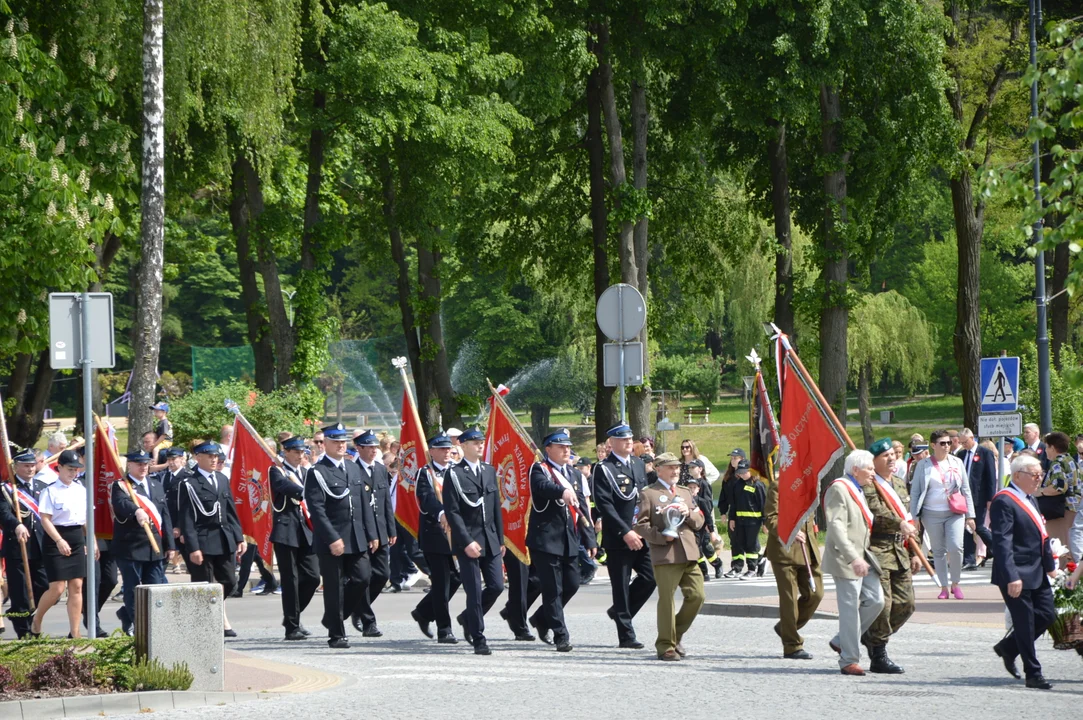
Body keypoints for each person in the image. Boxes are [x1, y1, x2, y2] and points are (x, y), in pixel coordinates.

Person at [305, 423, 378, 649]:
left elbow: (364, 504)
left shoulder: (353, 467)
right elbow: (317, 509)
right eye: (335, 442)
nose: (340, 445)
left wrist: (371, 532)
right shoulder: (317, 472)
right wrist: (332, 538)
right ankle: (336, 634)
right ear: (325, 443)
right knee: (335, 588)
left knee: (363, 578)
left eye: (343, 442)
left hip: (356, 537)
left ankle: (332, 618)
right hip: (333, 540)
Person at [990, 454, 1057, 690]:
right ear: (1017, 476)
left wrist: (1050, 566)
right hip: (1016, 571)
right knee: (1025, 622)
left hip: (1036, 570)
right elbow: (1002, 543)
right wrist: (1012, 576)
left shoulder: (1029, 498)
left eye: (1041, 474)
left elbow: (1041, 534)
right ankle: (1033, 673)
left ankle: (1008, 648)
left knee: (1048, 615)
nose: (1039, 479)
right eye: (1035, 474)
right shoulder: (1004, 501)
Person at [526, 429, 596, 652]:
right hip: (546, 539)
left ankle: (540, 618)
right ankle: (560, 635)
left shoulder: (575, 474)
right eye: (560, 446)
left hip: (569, 539)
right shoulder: (540, 469)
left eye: (568, 446)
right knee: (552, 589)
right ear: (548, 449)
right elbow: (542, 488)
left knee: (572, 584)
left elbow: (582, 509)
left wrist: (591, 540)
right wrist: (561, 492)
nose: (566, 450)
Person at [635, 452, 706, 661]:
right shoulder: (649, 493)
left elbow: (699, 521)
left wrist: (689, 512)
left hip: (689, 552)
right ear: (658, 469)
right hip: (666, 554)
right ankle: (665, 646)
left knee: (697, 596)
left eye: (677, 467)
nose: (675, 471)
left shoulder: (684, 492)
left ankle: (674, 635)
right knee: (667, 601)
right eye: (670, 467)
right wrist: (660, 537)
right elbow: (640, 525)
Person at [591, 422, 655, 649]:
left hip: (641, 533)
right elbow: (605, 505)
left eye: (630, 439)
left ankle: (619, 613)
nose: (629, 442)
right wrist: (625, 531)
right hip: (619, 537)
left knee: (650, 578)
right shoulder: (603, 468)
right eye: (623, 439)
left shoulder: (638, 464)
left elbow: (644, 499)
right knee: (620, 585)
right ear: (612, 443)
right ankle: (626, 634)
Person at [823, 450, 885, 676]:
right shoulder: (840, 488)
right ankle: (849, 659)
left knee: (876, 601)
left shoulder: (857, 488)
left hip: (862, 555)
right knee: (849, 610)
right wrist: (853, 557)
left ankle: (842, 639)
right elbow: (836, 526)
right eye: (869, 468)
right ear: (855, 470)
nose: (873, 472)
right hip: (845, 558)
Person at [444, 428, 504, 655]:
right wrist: (466, 541)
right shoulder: (455, 474)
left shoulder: (488, 471)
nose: (480, 445)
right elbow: (452, 511)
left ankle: (467, 618)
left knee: (497, 586)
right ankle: (479, 637)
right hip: (467, 540)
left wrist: (500, 538)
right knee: (474, 590)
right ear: (463, 445)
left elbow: (495, 507)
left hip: (489, 538)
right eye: (475, 442)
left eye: (481, 442)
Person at [177, 441, 246, 637]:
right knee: (203, 584)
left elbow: (230, 510)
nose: (214, 459)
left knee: (230, 581)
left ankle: (213, 613)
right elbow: (187, 518)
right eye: (209, 456)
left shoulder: (222, 479)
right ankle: (205, 627)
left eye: (216, 456)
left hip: (224, 538)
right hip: (203, 540)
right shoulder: (189, 484)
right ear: (198, 458)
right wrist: (193, 548)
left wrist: (239, 537)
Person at [863, 439, 919, 674]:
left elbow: (908, 516)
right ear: (874, 461)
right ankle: (878, 653)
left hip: (901, 550)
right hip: (878, 550)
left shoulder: (898, 483)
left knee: (906, 604)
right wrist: (900, 524)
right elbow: (877, 512)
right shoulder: (869, 484)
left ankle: (871, 636)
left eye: (892, 455)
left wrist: (915, 551)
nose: (891, 458)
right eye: (885, 456)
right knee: (883, 606)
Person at [111, 449, 174, 637]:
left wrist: (170, 544)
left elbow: (165, 516)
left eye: (146, 463)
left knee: (155, 587)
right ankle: (141, 627)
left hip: (154, 546)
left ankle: (139, 619)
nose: (143, 467)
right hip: (130, 546)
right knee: (133, 588)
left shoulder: (156, 485)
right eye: (139, 464)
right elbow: (121, 504)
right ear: (129, 465)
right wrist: (135, 510)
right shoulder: (121, 486)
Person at [29, 450, 90, 638]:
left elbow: (86, 518)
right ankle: (37, 618)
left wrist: (92, 540)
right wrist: (59, 540)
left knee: (77, 586)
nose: (73, 473)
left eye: (76, 470)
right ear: (60, 468)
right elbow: (45, 519)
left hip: (76, 536)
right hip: (55, 537)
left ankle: (75, 631)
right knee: (57, 588)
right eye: (70, 469)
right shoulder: (50, 491)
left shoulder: (81, 490)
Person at [909, 429, 976, 598]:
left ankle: (956, 583)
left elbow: (966, 489)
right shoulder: (923, 465)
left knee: (956, 547)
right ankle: (944, 588)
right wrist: (915, 517)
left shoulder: (956, 462)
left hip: (955, 512)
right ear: (933, 446)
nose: (947, 446)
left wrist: (970, 516)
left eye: (948, 443)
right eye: (942, 443)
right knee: (938, 551)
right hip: (931, 513)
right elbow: (916, 492)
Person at [764, 474, 823, 660]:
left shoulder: (809, 485)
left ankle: (785, 628)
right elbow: (770, 517)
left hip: (808, 548)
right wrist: (789, 531)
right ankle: (792, 645)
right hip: (785, 550)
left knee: (816, 594)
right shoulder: (778, 485)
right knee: (789, 600)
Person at [411, 433, 462, 642]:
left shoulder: (457, 471)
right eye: (441, 449)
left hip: (456, 534)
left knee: (456, 578)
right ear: (431, 451)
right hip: (435, 535)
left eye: (448, 448)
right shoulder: (425, 474)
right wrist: (442, 513)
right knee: (442, 582)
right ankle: (444, 628)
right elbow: (426, 499)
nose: (446, 452)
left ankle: (423, 611)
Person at [270, 436, 320, 641]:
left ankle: (293, 615)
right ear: (286, 452)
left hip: (306, 531)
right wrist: (305, 491)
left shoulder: (306, 472)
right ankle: (292, 626)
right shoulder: (277, 470)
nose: (301, 455)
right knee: (290, 580)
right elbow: (283, 486)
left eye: (303, 452)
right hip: (286, 531)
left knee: (312, 577)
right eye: (296, 452)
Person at [350, 430, 396, 637]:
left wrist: (390, 528)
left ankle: (358, 605)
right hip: (361, 531)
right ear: (359, 448)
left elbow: (385, 500)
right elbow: (357, 507)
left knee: (382, 574)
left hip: (381, 529)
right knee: (364, 576)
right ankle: (368, 621)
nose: (373, 451)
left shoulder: (379, 469)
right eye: (368, 447)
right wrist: (370, 533)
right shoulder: (351, 469)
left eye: (375, 447)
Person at [0, 449, 49, 638]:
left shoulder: (42, 486)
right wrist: (16, 524)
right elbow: (3, 513)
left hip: (39, 544)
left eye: (32, 465)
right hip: (17, 546)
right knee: (20, 590)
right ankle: (24, 629)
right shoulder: (6, 489)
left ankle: (31, 617)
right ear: (16, 467)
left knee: (45, 586)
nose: (30, 469)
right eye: (26, 465)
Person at [956, 428, 998, 570]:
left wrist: (990, 499)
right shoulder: (961, 454)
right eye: (961, 442)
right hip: (963, 497)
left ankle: (997, 548)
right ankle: (969, 559)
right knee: (966, 527)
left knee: (979, 526)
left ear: (972, 438)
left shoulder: (985, 453)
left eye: (965, 442)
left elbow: (991, 477)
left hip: (980, 496)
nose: (964, 445)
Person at [1035, 431, 1079, 563]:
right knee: (1069, 542)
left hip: (1061, 509)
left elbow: (1059, 487)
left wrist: (1040, 491)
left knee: (1059, 544)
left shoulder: (1057, 463)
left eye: (1047, 447)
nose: (1045, 450)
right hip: (1074, 506)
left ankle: (1063, 576)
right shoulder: (1070, 459)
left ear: (1052, 448)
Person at [728, 459, 766, 579]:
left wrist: (765, 522)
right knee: (742, 543)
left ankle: (751, 569)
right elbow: (733, 504)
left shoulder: (758, 485)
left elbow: (764, 504)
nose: (742, 474)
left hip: (753, 521)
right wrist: (732, 518)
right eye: (741, 472)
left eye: (745, 472)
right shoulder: (737, 485)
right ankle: (760, 560)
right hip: (740, 520)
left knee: (751, 544)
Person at [686, 460, 723, 580]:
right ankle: (703, 571)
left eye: (693, 467)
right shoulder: (687, 487)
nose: (690, 469)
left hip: (703, 522)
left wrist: (710, 527)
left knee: (705, 546)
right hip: (692, 525)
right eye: (689, 467)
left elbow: (707, 506)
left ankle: (717, 564)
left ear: (700, 469)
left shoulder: (704, 484)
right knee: (696, 548)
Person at [159, 447, 190, 573]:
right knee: (162, 562)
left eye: (174, 459)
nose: (171, 462)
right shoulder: (164, 477)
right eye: (169, 459)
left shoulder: (187, 477)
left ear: (182, 460)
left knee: (190, 560)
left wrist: (179, 526)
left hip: (180, 526)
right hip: (166, 524)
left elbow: (186, 506)